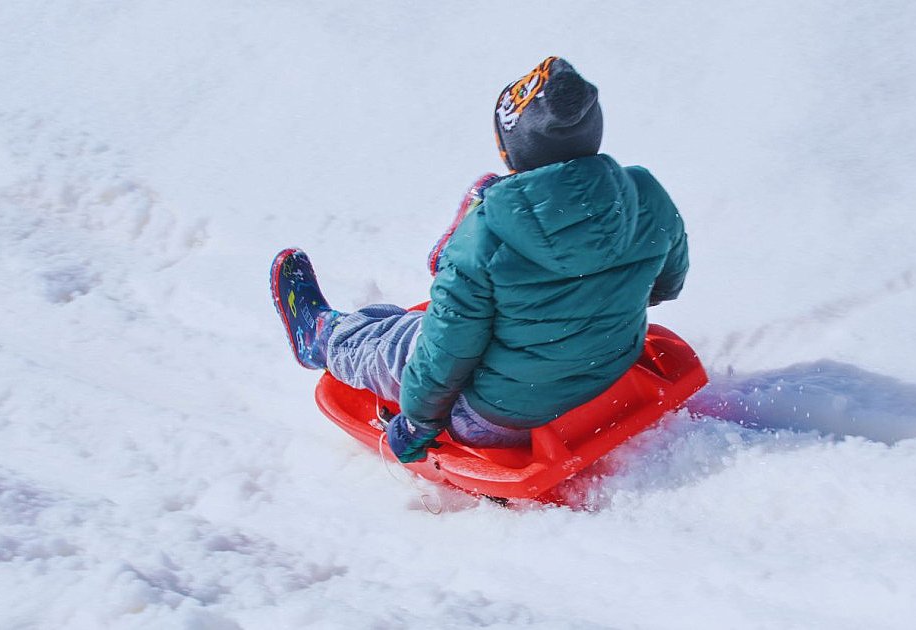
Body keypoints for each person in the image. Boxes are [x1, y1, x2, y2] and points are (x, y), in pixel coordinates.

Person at [271, 57, 688, 463]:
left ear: (511, 152)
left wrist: (417, 423)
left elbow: (445, 353)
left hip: (498, 418)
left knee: (398, 341)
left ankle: (324, 337)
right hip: (610, 373)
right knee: (465, 298)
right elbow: (666, 285)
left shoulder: (487, 238)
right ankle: (458, 273)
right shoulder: (645, 193)